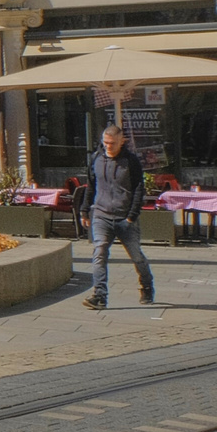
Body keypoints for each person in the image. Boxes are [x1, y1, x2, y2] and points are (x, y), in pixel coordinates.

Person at [83, 124, 154, 309]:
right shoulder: (96, 158)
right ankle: (100, 295)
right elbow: (91, 185)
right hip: (101, 214)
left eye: (112, 143)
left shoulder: (130, 161)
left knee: (136, 256)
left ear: (121, 142)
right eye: (105, 142)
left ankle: (147, 285)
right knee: (99, 252)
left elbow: (139, 188)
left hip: (125, 218)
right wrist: (84, 210)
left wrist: (131, 216)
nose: (108, 146)